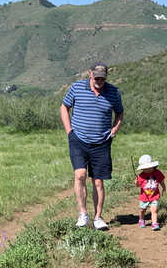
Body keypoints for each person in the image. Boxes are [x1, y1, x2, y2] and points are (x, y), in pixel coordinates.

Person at [61, 61, 124, 230]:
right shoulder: (76, 88)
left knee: (98, 182)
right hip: (78, 140)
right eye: (96, 77)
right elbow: (64, 107)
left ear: (106, 77)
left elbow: (119, 113)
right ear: (90, 74)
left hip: (102, 142)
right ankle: (83, 214)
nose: (99, 81)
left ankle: (98, 217)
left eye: (102, 78)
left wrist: (113, 131)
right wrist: (69, 131)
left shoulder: (113, 92)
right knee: (80, 175)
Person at [134, 155, 166, 230]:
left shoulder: (158, 173)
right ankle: (141, 220)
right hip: (144, 197)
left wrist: (164, 188)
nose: (147, 170)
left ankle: (154, 223)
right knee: (142, 210)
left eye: (149, 168)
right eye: (145, 169)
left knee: (154, 210)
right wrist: (136, 182)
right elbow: (138, 185)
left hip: (154, 196)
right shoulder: (141, 175)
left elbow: (161, 180)